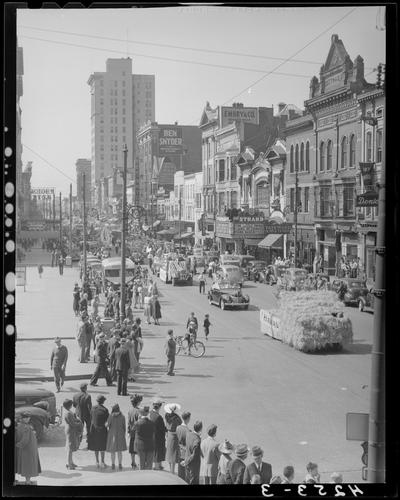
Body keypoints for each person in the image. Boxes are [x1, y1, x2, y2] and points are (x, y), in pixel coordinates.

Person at [15, 412, 41, 484]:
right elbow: (25, 440)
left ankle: (27, 481)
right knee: (29, 466)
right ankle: (28, 481)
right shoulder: (27, 427)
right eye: (26, 417)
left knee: (25, 465)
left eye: (28, 417)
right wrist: (18, 445)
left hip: (23, 450)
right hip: (29, 449)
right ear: (23, 418)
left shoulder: (19, 426)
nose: (28, 419)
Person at [88, 395, 109, 468]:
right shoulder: (105, 410)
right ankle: (102, 462)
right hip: (102, 429)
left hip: (94, 429)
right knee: (102, 446)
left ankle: (97, 461)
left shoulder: (93, 408)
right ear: (103, 401)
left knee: (95, 446)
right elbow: (107, 421)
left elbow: (91, 417)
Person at [63, 398, 83, 469]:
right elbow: (73, 424)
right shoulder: (68, 413)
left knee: (71, 448)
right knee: (70, 448)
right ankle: (69, 464)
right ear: (70, 405)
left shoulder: (68, 412)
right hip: (71, 431)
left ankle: (71, 462)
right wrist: (79, 422)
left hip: (71, 430)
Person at [106, 404, 127, 470]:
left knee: (113, 451)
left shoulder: (111, 416)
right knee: (119, 451)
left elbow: (107, 425)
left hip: (113, 436)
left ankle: (113, 464)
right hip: (120, 436)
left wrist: (105, 423)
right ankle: (120, 464)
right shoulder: (123, 417)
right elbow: (124, 427)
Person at [134, 406, 155, 470]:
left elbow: (133, 431)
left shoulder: (137, 423)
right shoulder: (152, 423)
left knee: (141, 465)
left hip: (140, 445)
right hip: (150, 445)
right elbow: (154, 435)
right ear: (148, 413)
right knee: (149, 465)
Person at [164, 403, 183, 474]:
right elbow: (180, 426)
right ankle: (172, 471)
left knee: (169, 453)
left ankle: (170, 469)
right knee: (174, 454)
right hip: (175, 436)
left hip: (169, 434)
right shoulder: (177, 418)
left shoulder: (166, 415)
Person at [182, 420, 202, 485]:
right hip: (194, 466)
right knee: (194, 482)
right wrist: (186, 461)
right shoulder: (197, 440)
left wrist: (186, 461)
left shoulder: (188, 434)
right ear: (201, 429)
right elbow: (194, 455)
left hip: (188, 462)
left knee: (187, 480)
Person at [149, 399, 166, 470]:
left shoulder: (151, 413)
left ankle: (159, 465)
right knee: (158, 452)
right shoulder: (158, 417)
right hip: (158, 436)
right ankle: (157, 467)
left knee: (157, 451)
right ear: (159, 407)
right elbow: (162, 428)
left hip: (153, 435)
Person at [128, 394, 143, 469]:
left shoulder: (130, 410)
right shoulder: (139, 411)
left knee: (132, 448)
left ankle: (133, 462)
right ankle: (139, 463)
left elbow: (128, 422)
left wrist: (128, 431)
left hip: (131, 432)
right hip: (137, 433)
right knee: (138, 449)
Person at [176, 411, 191, 480]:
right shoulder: (188, 430)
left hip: (179, 451)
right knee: (186, 474)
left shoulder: (178, 428)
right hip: (185, 453)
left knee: (180, 473)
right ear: (188, 418)